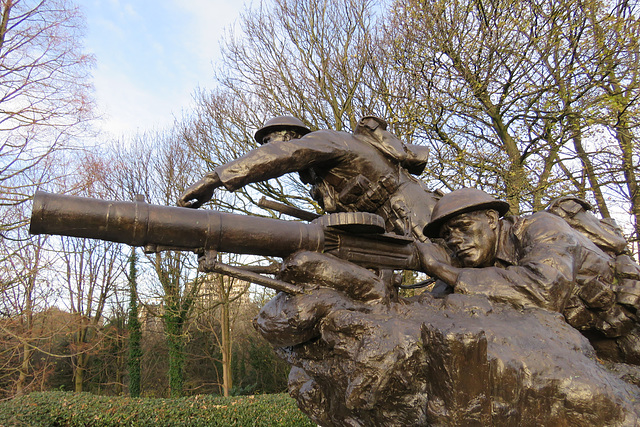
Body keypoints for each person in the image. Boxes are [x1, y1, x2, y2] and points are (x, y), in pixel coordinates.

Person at [415, 187, 640, 364]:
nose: (453, 239)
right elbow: (442, 299)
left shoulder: (542, 226)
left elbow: (545, 292)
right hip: (586, 353)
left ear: (492, 220)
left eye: (462, 226)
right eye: (446, 235)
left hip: (627, 338)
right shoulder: (471, 258)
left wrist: (441, 269)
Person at [178, 115, 439, 242]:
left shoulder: (321, 140)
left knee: (450, 259)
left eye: (270, 140)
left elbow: (279, 156)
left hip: (408, 205)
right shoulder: (319, 179)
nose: (266, 147)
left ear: (291, 135)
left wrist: (214, 179)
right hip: (377, 226)